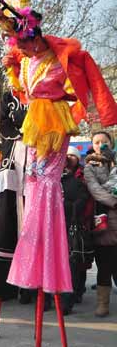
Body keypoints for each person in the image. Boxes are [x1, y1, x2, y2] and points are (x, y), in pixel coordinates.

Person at [0, 0, 117, 308]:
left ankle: (47, 260)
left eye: (20, 42)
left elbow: (58, 88)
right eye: (15, 44)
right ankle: (31, 253)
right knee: (34, 184)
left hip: (51, 123)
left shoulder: (56, 59)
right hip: (32, 126)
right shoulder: (25, 60)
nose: (17, 48)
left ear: (34, 38)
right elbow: (22, 89)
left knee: (45, 183)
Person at [0, 92, 27, 303]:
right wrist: (20, 135)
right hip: (14, 155)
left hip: (40, 154)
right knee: (7, 218)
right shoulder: (9, 96)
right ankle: (6, 285)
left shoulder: (46, 90)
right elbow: (3, 123)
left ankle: (37, 287)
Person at [83, 131, 117, 317]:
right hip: (103, 222)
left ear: (111, 143)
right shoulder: (90, 167)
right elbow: (94, 190)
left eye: (104, 141)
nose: (101, 144)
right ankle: (103, 303)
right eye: (97, 142)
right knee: (104, 266)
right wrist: (114, 200)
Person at [60, 146, 93, 315]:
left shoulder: (75, 182)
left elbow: (81, 203)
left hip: (68, 229)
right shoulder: (46, 182)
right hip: (53, 229)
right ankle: (50, 299)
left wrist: (64, 206)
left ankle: (67, 300)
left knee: (69, 265)